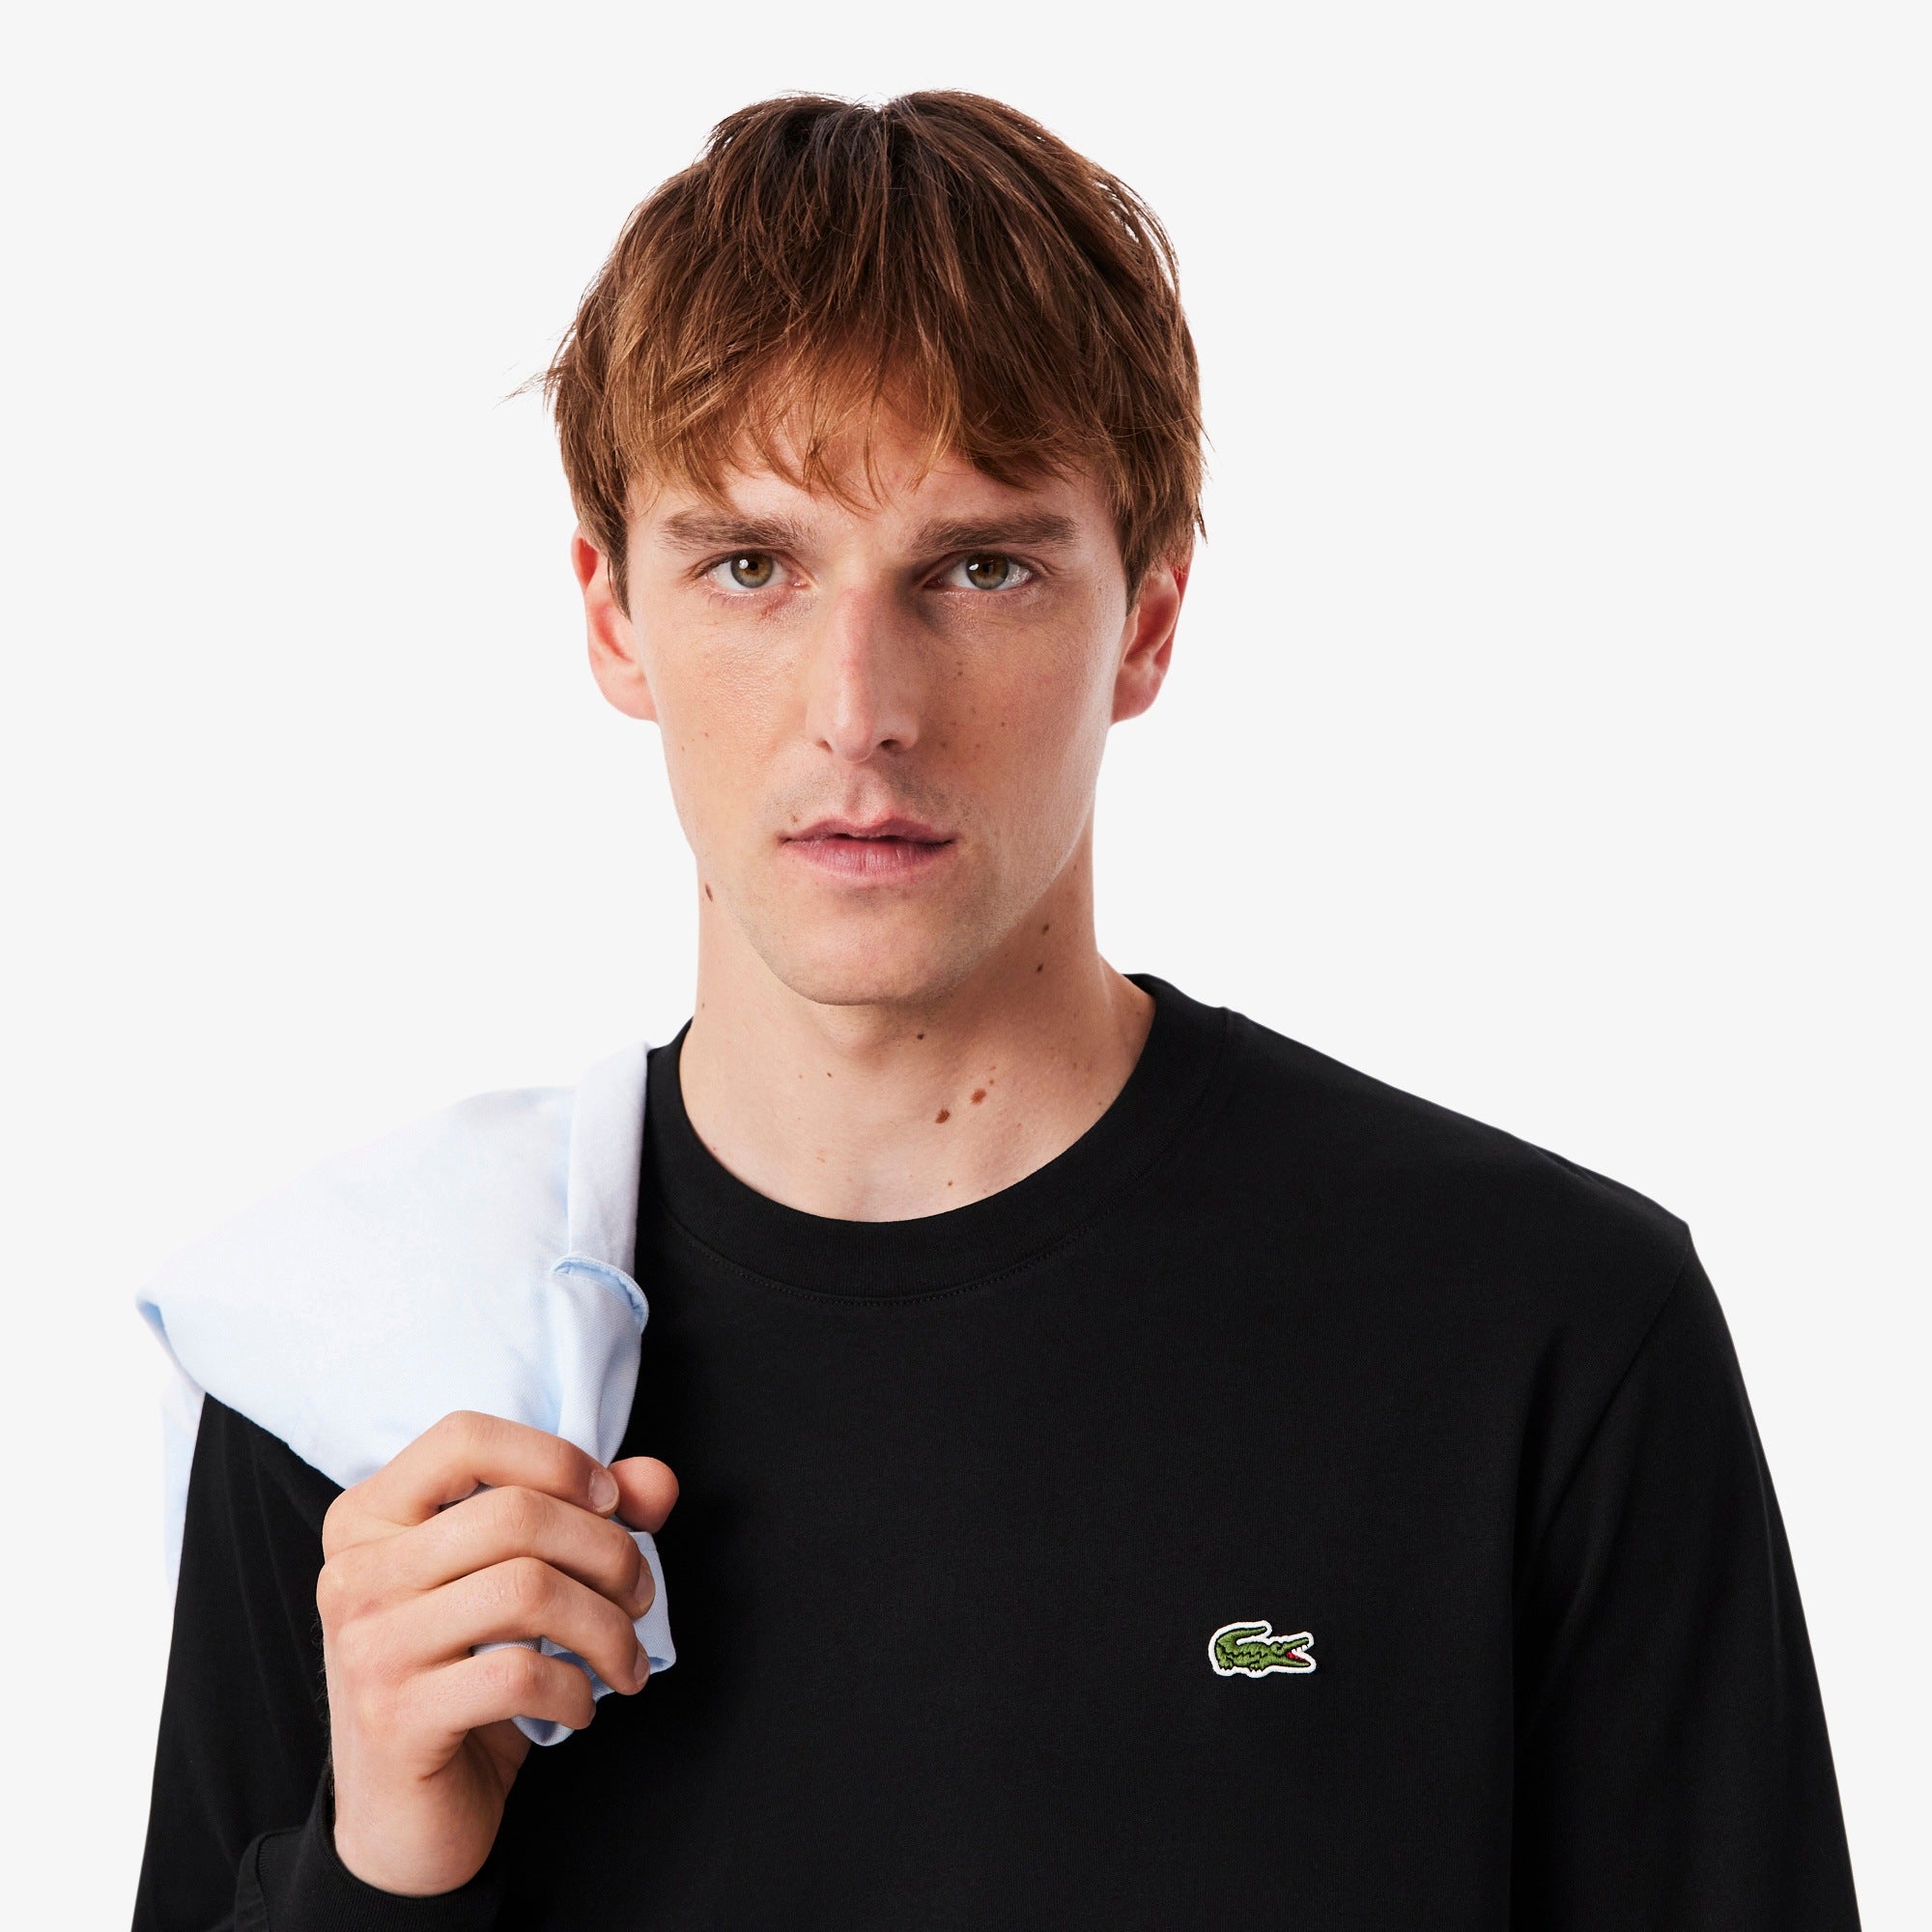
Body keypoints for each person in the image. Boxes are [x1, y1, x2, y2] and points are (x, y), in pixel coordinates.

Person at [133, 91, 1861, 1930]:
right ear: (614, 615)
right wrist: (376, 1881)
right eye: (751, 565)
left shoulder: (1539, 1331)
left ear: (1148, 621)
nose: (859, 708)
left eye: (980, 568)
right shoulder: (375, 1369)